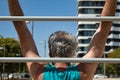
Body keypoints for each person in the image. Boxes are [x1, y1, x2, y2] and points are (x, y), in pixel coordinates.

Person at [8, 0, 117, 80]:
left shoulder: (39, 72)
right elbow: (104, 28)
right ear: (74, 53)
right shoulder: (83, 72)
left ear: (50, 53)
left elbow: (21, 29)